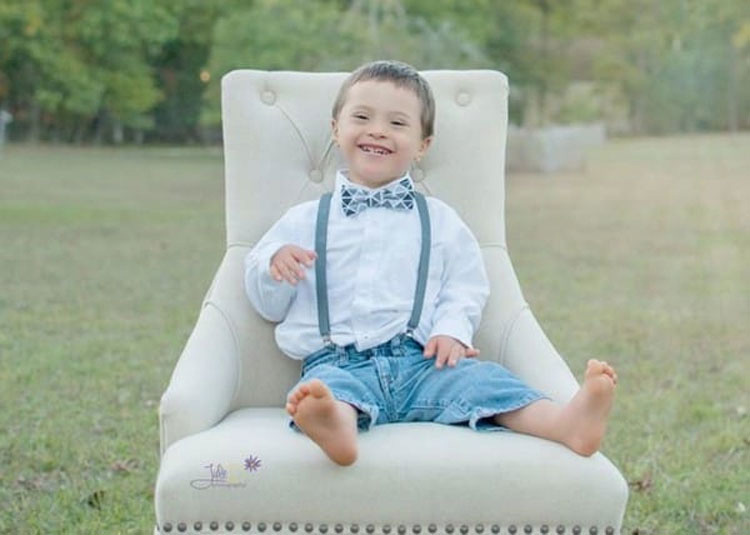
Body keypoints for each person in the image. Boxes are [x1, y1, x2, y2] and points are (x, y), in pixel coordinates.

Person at [244, 60, 617, 466]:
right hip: (339, 361)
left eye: (397, 123)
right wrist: (275, 267)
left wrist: (452, 331)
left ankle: (566, 423)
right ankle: (335, 425)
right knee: (327, 389)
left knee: (486, 383)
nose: (378, 130)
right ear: (336, 129)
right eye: (362, 117)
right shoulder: (302, 221)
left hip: (421, 362)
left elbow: (466, 285)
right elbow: (268, 304)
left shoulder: (440, 220)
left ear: (423, 144)